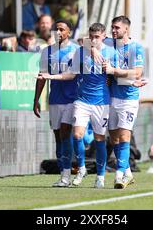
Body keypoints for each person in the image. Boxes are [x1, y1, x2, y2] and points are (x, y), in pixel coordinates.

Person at [38, 23, 118, 188]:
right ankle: (81, 168)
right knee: (76, 135)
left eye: (97, 37)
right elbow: (71, 74)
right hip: (81, 100)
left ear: (104, 36)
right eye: (92, 37)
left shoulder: (111, 52)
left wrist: (114, 72)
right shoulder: (80, 52)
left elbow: (119, 75)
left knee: (99, 140)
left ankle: (100, 177)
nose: (94, 40)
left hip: (102, 102)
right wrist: (51, 77)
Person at [34, 20, 78, 187]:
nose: (58, 32)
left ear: (69, 32)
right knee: (58, 137)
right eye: (56, 29)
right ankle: (64, 172)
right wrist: (36, 99)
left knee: (65, 134)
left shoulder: (76, 51)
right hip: (55, 100)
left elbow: (74, 76)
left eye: (62, 29)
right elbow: (41, 77)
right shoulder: (46, 52)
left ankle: (68, 173)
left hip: (72, 99)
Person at [104, 16, 145, 189]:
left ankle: (120, 176)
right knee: (114, 138)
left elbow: (136, 73)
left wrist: (114, 71)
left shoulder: (136, 47)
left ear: (126, 29)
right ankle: (127, 172)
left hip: (128, 98)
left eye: (117, 28)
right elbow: (86, 42)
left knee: (124, 136)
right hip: (111, 97)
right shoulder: (107, 44)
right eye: (112, 27)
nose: (113, 31)